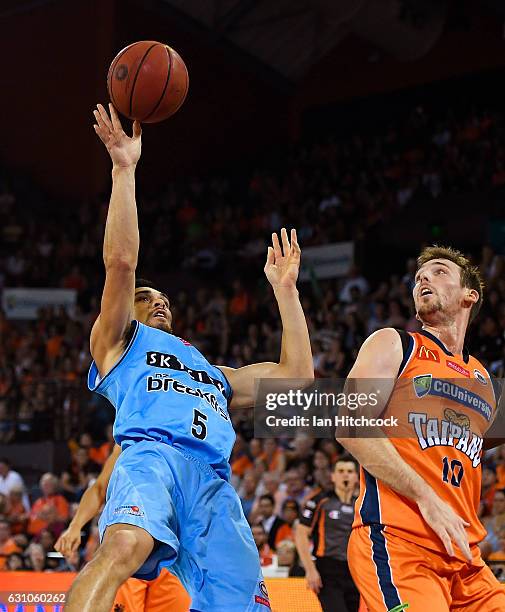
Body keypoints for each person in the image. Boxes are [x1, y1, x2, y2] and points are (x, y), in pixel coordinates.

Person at [65, 103, 313, 612]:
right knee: (123, 547)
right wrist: (124, 170)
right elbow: (121, 262)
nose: (159, 301)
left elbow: (298, 380)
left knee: (245, 604)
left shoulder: (213, 373)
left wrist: (286, 293)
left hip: (213, 484)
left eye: (165, 299)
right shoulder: (121, 343)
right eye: (147, 297)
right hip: (151, 457)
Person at [337, 246, 505, 611]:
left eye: (439, 271)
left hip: (465, 555)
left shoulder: (487, 382)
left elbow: (473, 444)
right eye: (419, 277)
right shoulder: (395, 343)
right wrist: (427, 496)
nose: (424, 278)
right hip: (398, 541)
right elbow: (350, 425)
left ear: (469, 295)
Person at [55, 444, 190, 612]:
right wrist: (75, 526)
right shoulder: (129, 439)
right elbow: (99, 488)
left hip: (175, 557)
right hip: (131, 549)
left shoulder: (195, 438)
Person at [295, 457, 360, 612]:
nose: (345, 475)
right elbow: (301, 534)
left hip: (357, 570)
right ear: (333, 476)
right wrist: (310, 570)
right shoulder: (320, 501)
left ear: (357, 477)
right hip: (328, 569)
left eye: (350, 472)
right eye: (341, 471)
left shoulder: (362, 503)